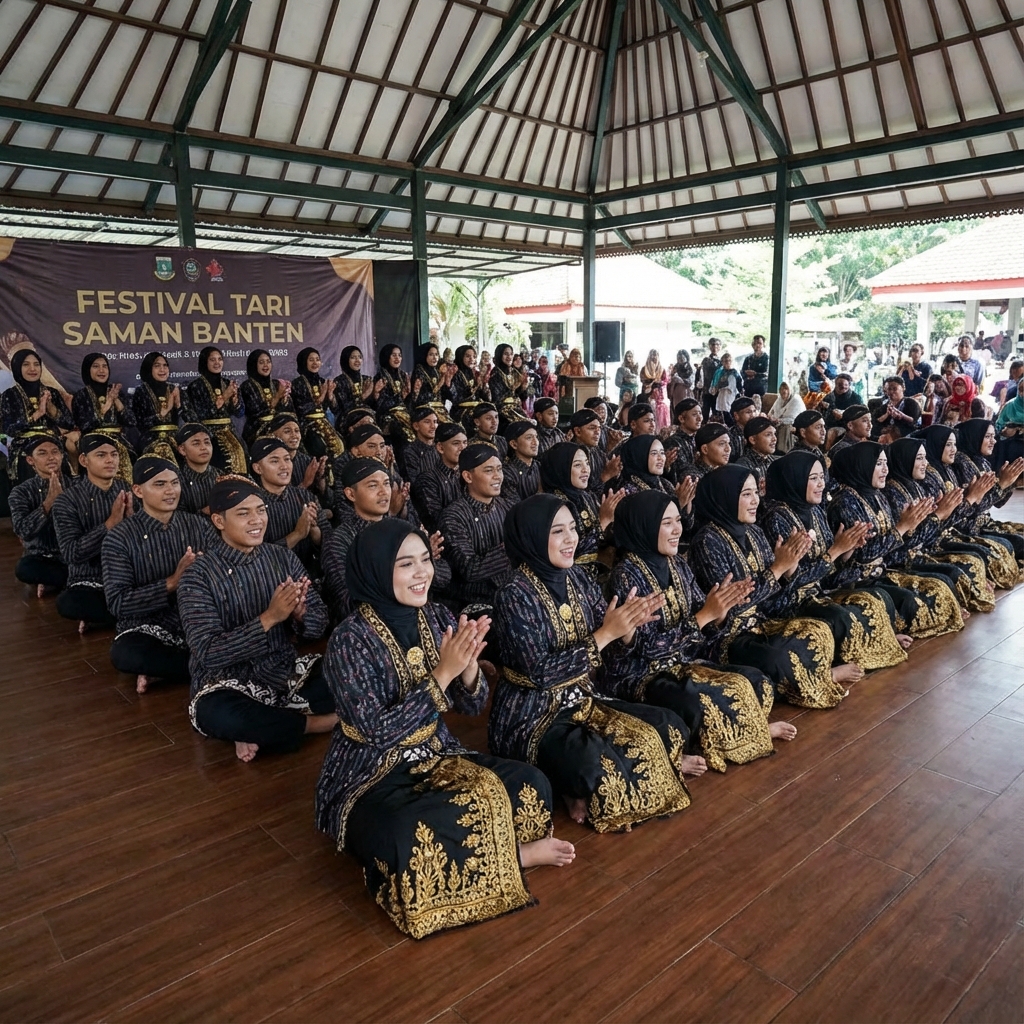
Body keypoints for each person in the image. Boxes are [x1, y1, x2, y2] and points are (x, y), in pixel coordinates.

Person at [314, 519, 574, 940]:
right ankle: (514, 855)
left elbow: (471, 707)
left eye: (425, 561)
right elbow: (378, 731)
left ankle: (501, 855)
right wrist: (442, 673)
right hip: (370, 772)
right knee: (410, 831)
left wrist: (469, 669)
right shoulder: (349, 640)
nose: (422, 573)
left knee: (531, 782)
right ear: (376, 570)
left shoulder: (435, 616)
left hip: (438, 752)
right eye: (405, 565)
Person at [488, 494, 696, 831]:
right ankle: (571, 787)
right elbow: (539, 672)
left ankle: (579, 788)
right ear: (531, 537)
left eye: (573, 528)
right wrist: (605, 634)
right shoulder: (513, 594)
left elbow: (615, 646)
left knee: (666, 724)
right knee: (592, 761)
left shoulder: (579, 579)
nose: (571, 538)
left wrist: (627, 630)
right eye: (558, 531)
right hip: (535, 714)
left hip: (585, 698)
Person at [605, 491, 793, 771]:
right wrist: (703, 617)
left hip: (682, 661)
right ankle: (743, 735)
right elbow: (646, 649)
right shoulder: (625, 577)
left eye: (678, 520)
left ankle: (751, 730)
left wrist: (720, 610)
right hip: (641, 675)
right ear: (643, 525)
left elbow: (704, 619)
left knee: (753, 680)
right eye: (666, 523)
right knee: (700, 701)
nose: (677, 529)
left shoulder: (677, 563)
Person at [177, 477, 337, 763]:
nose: (257, 520)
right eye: (243, 513)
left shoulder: (281, 557)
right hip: (225, 681)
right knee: (219, 713)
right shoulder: (198, 574)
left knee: (345, 670)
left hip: (283, 670)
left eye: (261, 510)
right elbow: (208, 652)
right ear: (219, 520)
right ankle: (317, 723)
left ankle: (273, 726)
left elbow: (320, 620)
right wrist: (269, 618)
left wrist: (300, 617)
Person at [688, 466, 855, 707]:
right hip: (726, 637)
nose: (756, 500)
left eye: (756, 492)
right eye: (746, 494)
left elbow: (772, 597)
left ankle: (818, 676)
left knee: (815, 630)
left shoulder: (754, 532)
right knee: (777, 657)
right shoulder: (707, 542)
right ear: (723, 496)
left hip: (762, 621)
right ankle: (822, 677)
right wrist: (777, 570)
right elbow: (731, 607)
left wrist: (788, 571)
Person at [759, 453, 912, 661]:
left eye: (822, 477)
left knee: (873, 599)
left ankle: (885, 641)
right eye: (813, 478)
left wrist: (847, 551)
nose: (821, 484)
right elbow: (791, 585)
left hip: (822, 592)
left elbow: (829, 578)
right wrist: (835, 552)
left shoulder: (815, 511)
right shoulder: (776, 520)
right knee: (841, 616)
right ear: (793, 479)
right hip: (789, 604)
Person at [827, 443, 966, 637]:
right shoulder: (844, 504)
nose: (886, 469)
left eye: (885, 463)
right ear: (862, 466)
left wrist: (941, 514)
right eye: (878, 464)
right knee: (912, 599)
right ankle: (892, 635)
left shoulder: (878, 495)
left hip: (881, 572)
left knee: (941, 583)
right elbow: (860, 557)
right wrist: (904, 527)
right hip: (854, 582)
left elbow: (901, 544)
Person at [102, 456, 213, 693]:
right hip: (146, 626)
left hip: (196, 620)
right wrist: (172, 582)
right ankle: (216, 666)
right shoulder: (119, 538)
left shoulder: (198, 526)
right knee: (127, 654)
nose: (170, 491)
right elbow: (117, 603)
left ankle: (176, 670)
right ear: (138, 491)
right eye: (160, 485)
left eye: (175, 483)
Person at [883, 438, 995, 613]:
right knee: (951, 577)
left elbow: (937, 528)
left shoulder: (917, 485)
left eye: (925, 458)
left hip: (924, 551)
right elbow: (902, 545)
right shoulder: (892, 492)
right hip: (898, 562)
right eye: (919, 458)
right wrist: (940, 516)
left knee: (981, 557)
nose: (926, 464)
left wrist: (997, 488)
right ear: (904, 458)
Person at [918, 425, 1020, 590]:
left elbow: (995, 503)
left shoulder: (976, 462)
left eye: (955, 444)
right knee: (993, 553)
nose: (994, 441)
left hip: (974, 526)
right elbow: (974, 509)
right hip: (954, 533)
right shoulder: (958, 465)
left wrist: (1009, 483)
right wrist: (986, 492)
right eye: (988, 436)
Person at [51, 433, 129, 631]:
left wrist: (134, 521)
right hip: (90, 579)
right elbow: (71, 553)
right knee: (70, 602)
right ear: (84, 460)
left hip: (128, 577)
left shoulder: (126, 489)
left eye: (114, 454)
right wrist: (109, 524)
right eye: (101, 455)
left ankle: (121, 612)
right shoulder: (67, 500)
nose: (111, 460)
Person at [438, 444, 515, 610]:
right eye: (489, 471)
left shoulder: (507, 507)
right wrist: (513, 548)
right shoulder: (453, 517)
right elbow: (470, 569)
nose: (498, 477)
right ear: (467, 476)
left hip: (509, 594)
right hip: (473, 603)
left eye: (499, 469)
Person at [538, 442, 623, 576]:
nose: (586, 469)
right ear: (561, 468)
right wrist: (603, 521)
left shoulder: (585, 495)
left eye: (587, 463)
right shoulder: (551, 506)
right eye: (578, 465)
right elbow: (572, 553)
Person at [249, 436, 328, 573]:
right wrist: (297, 534)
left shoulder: (305, 497)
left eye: (287, 459)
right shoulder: (250, 504)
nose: (284, 466)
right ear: (257, 468)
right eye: (274, 461)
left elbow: (330, 543)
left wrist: (314, 531)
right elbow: (254, 556)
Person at [950, 419, 1024, 561]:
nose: (994, 441)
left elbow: (998, 503)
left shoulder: (981, 460)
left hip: (984, 523)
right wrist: (1001, 485)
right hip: (967, 529)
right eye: (988, 437)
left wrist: (1012, 482)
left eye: (993, 436)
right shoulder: (961, 463)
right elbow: (977, 506)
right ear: (975, 436)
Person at [9, 434, 73, 595]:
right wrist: (48, 503)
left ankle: (64, 581)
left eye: (55, 452)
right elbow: (23, 531)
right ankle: (73, 581)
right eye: (42, 453)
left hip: (75, 555)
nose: (51, 457)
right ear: (31, 460)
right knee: (25, 569)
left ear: (62, 456)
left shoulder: (78, 485)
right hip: (42, 557)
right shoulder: (21, 492)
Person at [1, 349, 75, 483]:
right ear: (17, 368)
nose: (32, 368)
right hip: (23, 448)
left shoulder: (52, 393)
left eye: (36, 364)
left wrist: (52, 409)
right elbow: (9, 429)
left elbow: (69, 424)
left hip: (52, 444)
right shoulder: (9, 395)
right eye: (26, 364)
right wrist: (36, 415)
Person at [72, 353, 136, 482]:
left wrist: (116, 400)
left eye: (104, 366)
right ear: (87, 370)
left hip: (119, 440)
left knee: (124, 452)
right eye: (96, 366)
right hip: (93, 441)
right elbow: (85, 425)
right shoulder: (81, 395)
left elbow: (131, 421)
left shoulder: (116, 393)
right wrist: (106, 406)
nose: (101, 370)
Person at [183, 346, 247, 474]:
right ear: (204, 362)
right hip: (209, 435)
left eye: (220, 359)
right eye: (212, 359)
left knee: (242, 457)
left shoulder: (227, 383)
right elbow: (200, 415)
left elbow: (240, 413)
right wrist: (224, 397)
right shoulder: (196, 386)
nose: (217, 363)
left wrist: (234, 399)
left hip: (231, 433)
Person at [410, 422, 466, 534]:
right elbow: (435, 519)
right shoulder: (427, 480)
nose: (462, 448)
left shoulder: (469, 474)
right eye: (456, 443)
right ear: (440, 448)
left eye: (465, 443)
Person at [292, 346, 343, 461]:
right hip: (307, 425)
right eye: (311, 360)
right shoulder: (297, 383)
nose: (315, 363)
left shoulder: (322, 381)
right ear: (304, 362)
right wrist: (321, 396)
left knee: (340, 445)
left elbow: (335, 409)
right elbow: (301, 409)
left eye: (317, 359)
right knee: (320, 447)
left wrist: (330, 395)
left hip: (324, 423)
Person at [129, 352, 183, 463]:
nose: (162, 369)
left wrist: (178, 405)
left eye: (165, 365)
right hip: (151, 440)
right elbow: (138, 423)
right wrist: (163, 413)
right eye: (157, 366)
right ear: (149, 368)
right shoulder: (141, 391)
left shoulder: (175, 389)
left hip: (176, 439)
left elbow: (187, 417)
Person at [240, 349, 292, 447]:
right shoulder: (247, 386)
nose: (265, 365)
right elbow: (255, 412)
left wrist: (285, 397)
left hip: (279, 427)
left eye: (268, 361)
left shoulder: (276, 384)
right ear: (254, 365)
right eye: (261, 362)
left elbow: (288, 410)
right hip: (256, 431)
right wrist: (277, 396)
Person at [569, 408, 618, 495]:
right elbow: (581, 493)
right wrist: (606, 475)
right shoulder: (570, 456)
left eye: (599, 428)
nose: (597, 432)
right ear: (578, 431)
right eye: (592, 428)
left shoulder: (598, 452)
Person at [174, 423, 220, 515]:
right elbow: (176, 518)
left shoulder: (221, 476)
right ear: (182, 450)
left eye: (207, 442)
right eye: (196, 443)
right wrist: (203, 512)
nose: (203, 447)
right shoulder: (176, 481)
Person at [374, 344, 413, 441]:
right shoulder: (380, 376)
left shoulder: (403, 375)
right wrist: (401, 397)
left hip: (404, 412)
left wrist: (410, 393)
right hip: (388, 415)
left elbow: (409, 400)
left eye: (399, 355)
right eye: (393, 355)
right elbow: (381, 404)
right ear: (387, 356)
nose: (397, 358)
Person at [409, 342, 451, 422]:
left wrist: (447, 382)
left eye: (436, 354)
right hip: (425, 410)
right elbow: (417, 398)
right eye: (431, 355)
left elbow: (444, 394)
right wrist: (440, 384)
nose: (435, 358)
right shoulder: (419, 370)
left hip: (439, 408)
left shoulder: (436, 371)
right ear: (424, 355)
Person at [490, 343, 529, 429]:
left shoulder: (514, 372)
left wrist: (523, 387)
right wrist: (513, 389)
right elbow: (497, 399)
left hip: (516, 408)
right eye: (505, 354)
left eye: (511, 354)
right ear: (499, 355)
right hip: (502, 413)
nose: (509, 357)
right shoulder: (495, 374)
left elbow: (522, 397)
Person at [399, 406, 441, 485]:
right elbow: (414, 481)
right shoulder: (410, 451)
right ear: (416, 426)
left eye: (435, 422)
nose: (433, 426)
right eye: (427, 422)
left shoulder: (441, 448)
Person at [501, 421, 541, 503]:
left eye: (536, 437)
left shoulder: (539, 466)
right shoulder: (507, 473)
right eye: (529, 438)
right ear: (514, 444)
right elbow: (515, 508)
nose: (536, 442)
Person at [736, 415, 779, 491]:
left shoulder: (777, 462)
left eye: (774, 434)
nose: (774, 439)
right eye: (768, 434)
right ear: (753, 440)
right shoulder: (743, 466)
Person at [334, 345, 377, 419]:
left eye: (360, 357)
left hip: (369, 416)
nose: (357, 360)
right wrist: (364, 395)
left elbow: (375, 406)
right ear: (346, 360)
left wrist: (376, 394)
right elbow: (342, 408)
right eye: (353, 357)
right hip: (347, 419)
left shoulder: (367, 380)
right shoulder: (339, 381)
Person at [640, 349, 670, 429]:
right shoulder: (644, 369)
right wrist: (652, 381)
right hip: (648, 396)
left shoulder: (662, 369)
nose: (654, 357)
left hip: (660, 398)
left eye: (655, 355)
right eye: (652, 355)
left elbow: (665, 381)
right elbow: (643, 380)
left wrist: (658, 382)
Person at [772, 381, 804, 452]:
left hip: (795, 425)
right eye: (782, 389)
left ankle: (784, 451)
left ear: (790, 390)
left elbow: (793, 418)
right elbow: (773, 413)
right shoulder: (779, 400)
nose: (784, 391)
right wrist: (773, 419)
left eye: (786, 388)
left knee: (786, 427)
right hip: (780, 422)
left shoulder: (796, 400)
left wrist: (780, 420)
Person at [711, 354, 743, 422]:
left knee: (731, 411)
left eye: (729, 360)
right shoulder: (720, 372)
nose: (727, 362)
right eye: (725, 361)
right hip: (722, 394)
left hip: (731, 394)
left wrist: (740, 392)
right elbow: (716, 383)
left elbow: (739, 383)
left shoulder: (734, 372)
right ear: (722, 362)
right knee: (724, 412)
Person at [697, 339, 722, 422]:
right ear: (709, 346)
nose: (715, 346)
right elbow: (700, 376)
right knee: (705, 412)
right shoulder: (706, 360)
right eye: (712, 344)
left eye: (717, 345)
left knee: (717, 412)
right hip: (707, 390)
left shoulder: (722, 361)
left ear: (720, 347)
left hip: (718, 391)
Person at [727, 396, 756, 461]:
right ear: (736, 415)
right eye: (748, 412)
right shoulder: (731, 436)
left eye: (754, 411)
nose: (753, 415)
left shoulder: (756, 432)